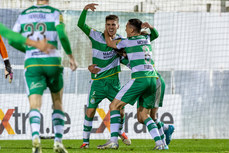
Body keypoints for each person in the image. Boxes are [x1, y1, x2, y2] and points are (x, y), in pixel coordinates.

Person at [11, 0, 77, 153]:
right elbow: (62, 34)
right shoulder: (55, 12)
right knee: (58, 102)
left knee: (35, 104)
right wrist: (71, 57)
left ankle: (35, 138)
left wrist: (28, 50)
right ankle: (58, 142)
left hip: (32, 63)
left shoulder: (24, 14)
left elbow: (12, 39)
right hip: (53, 62)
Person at [97, 19, 166, 150]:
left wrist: (106, 32)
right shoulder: (146, 37)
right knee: (144, 115)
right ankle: (160, 143)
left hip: (141, 78)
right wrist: (151, 27)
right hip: (153, 78)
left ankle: (113, 141)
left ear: (132, 30)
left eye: (127, 27)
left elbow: (109, 43)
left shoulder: (127, 41)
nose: (125, 30)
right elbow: (155, 34)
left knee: (114, 105)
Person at [77, 3, 131, 148]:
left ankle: (119, 132)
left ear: (118, 26)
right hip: (98, 82)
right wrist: (85, 10)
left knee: (120, 110)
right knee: (90, 110)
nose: (110, 27)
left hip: (114, 82)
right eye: (108, 24)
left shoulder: (120, 41)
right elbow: (81, 24)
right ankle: (85, 142)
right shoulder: (96, 35)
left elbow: (125, 58)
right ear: (105, 25)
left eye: (113, 24)